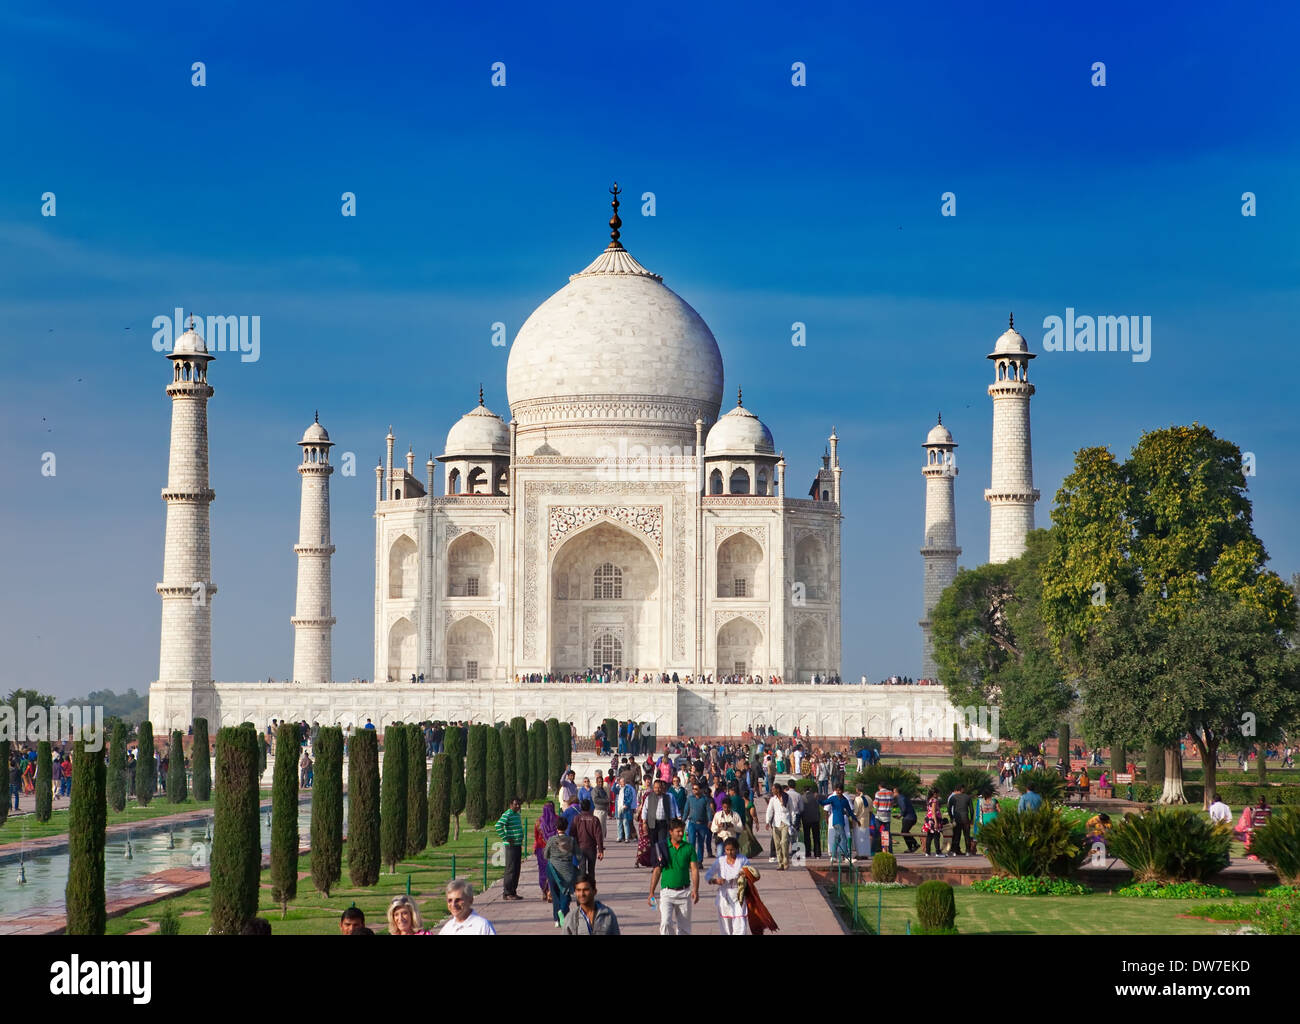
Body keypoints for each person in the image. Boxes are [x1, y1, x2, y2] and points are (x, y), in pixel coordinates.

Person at [647, 818, 700, 934]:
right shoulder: (662, 848)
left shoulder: (689, 848)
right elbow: (657, 871)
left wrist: (695, 889)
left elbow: (695, 870)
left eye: (682, 831)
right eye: (678, 831)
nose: (681, 834)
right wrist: (651, 892)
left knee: (684, 928)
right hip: (667, 892)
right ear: (671, 832)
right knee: (665, 923)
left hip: (684, 892)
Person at [704, 836, 753, 934]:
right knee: (725, 925)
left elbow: (752, 874)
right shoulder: (720, 861)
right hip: (724, 896)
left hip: (739, 895)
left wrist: (745, 875)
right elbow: (707, 875)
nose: (730, 852)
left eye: (732, 850)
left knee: (740, 923)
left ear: (737, 849)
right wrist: (715, 881)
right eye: (727, 850)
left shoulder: (742, 860)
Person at [544, 816, 580, 926]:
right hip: (567, 870)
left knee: (555, 895)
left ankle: (556, 919)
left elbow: (546, 855)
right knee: (565, 893)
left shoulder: (551, 840)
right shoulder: (571, 840)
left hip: (552, 869)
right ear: (566, 826)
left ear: (556, 827)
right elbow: (578, 855)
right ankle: (563, 912)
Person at [639, 777, 680, 863]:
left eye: (659, 787)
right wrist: (644, 823)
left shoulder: (667, 797)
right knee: (654, 844)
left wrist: (673, 823)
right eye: (656, 787)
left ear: (662, 788)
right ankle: (655, 863)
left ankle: (663, 861)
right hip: (652, 824)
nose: (657, 789)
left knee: (662, 843)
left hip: (663, 824)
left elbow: (672, 810)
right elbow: (644, 810)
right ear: (653, 788)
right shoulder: (649, 797)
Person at [494, 796, 525, 900]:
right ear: (511, 805)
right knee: (510, 869)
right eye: (515, 804)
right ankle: (507, 893)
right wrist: (506, 838)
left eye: (519, 804)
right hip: (511, 846)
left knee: (517, 869)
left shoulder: (517, 814)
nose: (517, 806)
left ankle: (513, 891)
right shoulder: (507, 814)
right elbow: (498, 826)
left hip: (517, 845)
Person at [570, 798, 605, 880]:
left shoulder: (577, 818)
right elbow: (598, 836)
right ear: (590, 807)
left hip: (580, 847)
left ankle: (582, 887)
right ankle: (591, 888)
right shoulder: (594, 819)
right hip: (591, 848)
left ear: (581, 807)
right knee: (591, 870)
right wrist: (600, 850)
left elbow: (572, 833)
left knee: (581, 870)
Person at [821, 784, 856, 864]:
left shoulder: (845, 798)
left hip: (842, 819)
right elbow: (826, 809)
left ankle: (834, 856)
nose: (839, 791)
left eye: (840, 790)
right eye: (837, 790)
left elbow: (850, 811)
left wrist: (854, 819)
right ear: (835, 789)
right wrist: (826, 819)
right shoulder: (832, 797)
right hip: (836, 819)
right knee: (843, 838)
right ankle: (846, 856)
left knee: (838, 838)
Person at [533, 801, 559, 901]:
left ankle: (544, 891)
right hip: (554, 849)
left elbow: (536, 836)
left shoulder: (539, 822)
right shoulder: (558, 820)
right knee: (554, 870)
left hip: (542, 849)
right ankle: (551, 891)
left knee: (543, 870)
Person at [684, 779, 715, 861]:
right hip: (692, 823)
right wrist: (682, 821)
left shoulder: (705, 799)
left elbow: (708, 811)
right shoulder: (690, 799)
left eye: (696, 789)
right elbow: (686, 810)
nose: (694, 790)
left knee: (700, 843)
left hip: (702, 824)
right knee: (691, 843)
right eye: (693, 789)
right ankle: (692, 860)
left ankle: (699, 861)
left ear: (701, 790)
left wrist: (710, 821)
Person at [765, 784, 792, 869]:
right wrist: (767, 821)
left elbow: (792, 809)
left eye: (773, 789)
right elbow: (769, 810)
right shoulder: (773, 799)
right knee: (777, 844)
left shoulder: (787, 798)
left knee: (784, 842)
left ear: (778, 789)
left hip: (785, 822)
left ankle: (786, 861)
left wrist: (793, 822)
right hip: (776, 823)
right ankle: (780, 863)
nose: (772, 790)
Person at [947, 784, 973, 855]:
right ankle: (968, 851)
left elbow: (949, 808)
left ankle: (955, 851)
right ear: (961, 789)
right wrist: (971, 818)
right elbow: (971, 810)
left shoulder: (953, 798)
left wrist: (951, 817)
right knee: (966, 835)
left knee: (956, 835)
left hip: (957, 818)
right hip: (965, 818)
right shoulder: (967, 797)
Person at [894, 786, 919, 853]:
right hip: (911, 817)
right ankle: (912, 846)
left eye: (893, 792)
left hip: (909, 818)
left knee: (904, 832)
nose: (893, 794)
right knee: (905, 832)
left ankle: (913, 845)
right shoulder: (902, 797)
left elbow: (904, 808)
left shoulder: (901, 798)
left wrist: (900, 815)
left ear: (896, 792)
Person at [922, 788, 945, 857]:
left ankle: (927, 852)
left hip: (929, 819)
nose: (939, 795)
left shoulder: (929, 800)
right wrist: (936, 822)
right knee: (936, 836)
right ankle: (938, 852)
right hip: (933, 819)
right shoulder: (934, 801)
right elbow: (933, 812)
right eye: (938, 793)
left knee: (929, 836)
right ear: (935, 793)